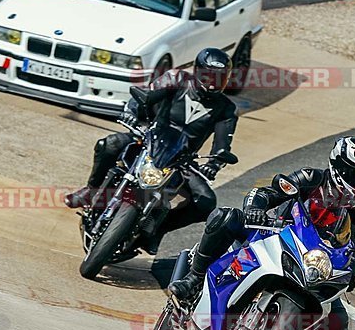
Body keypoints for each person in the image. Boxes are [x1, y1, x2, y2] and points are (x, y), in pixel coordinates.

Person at [168, 137, 355, 330]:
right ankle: (194, 278)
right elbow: (266, 193)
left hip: (313, 264)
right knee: (225, 217)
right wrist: (255, 209)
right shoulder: (310, 178)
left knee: (338, 323)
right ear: (339, 168)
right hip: (272, 235)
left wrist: (350, 273)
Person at [64, 48, 238, 254]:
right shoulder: (177, 79)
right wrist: (132, 113)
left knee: (206, 201)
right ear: (197, 71)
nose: (212, 83)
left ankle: (158, 231)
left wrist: (214, 164)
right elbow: (147, 95)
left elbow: (222, 146)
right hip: (149, 137)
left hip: (181, 159)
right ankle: (91, 191)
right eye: (209, 76)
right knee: (108, 144)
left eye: (220, 79)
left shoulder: (227, 109)